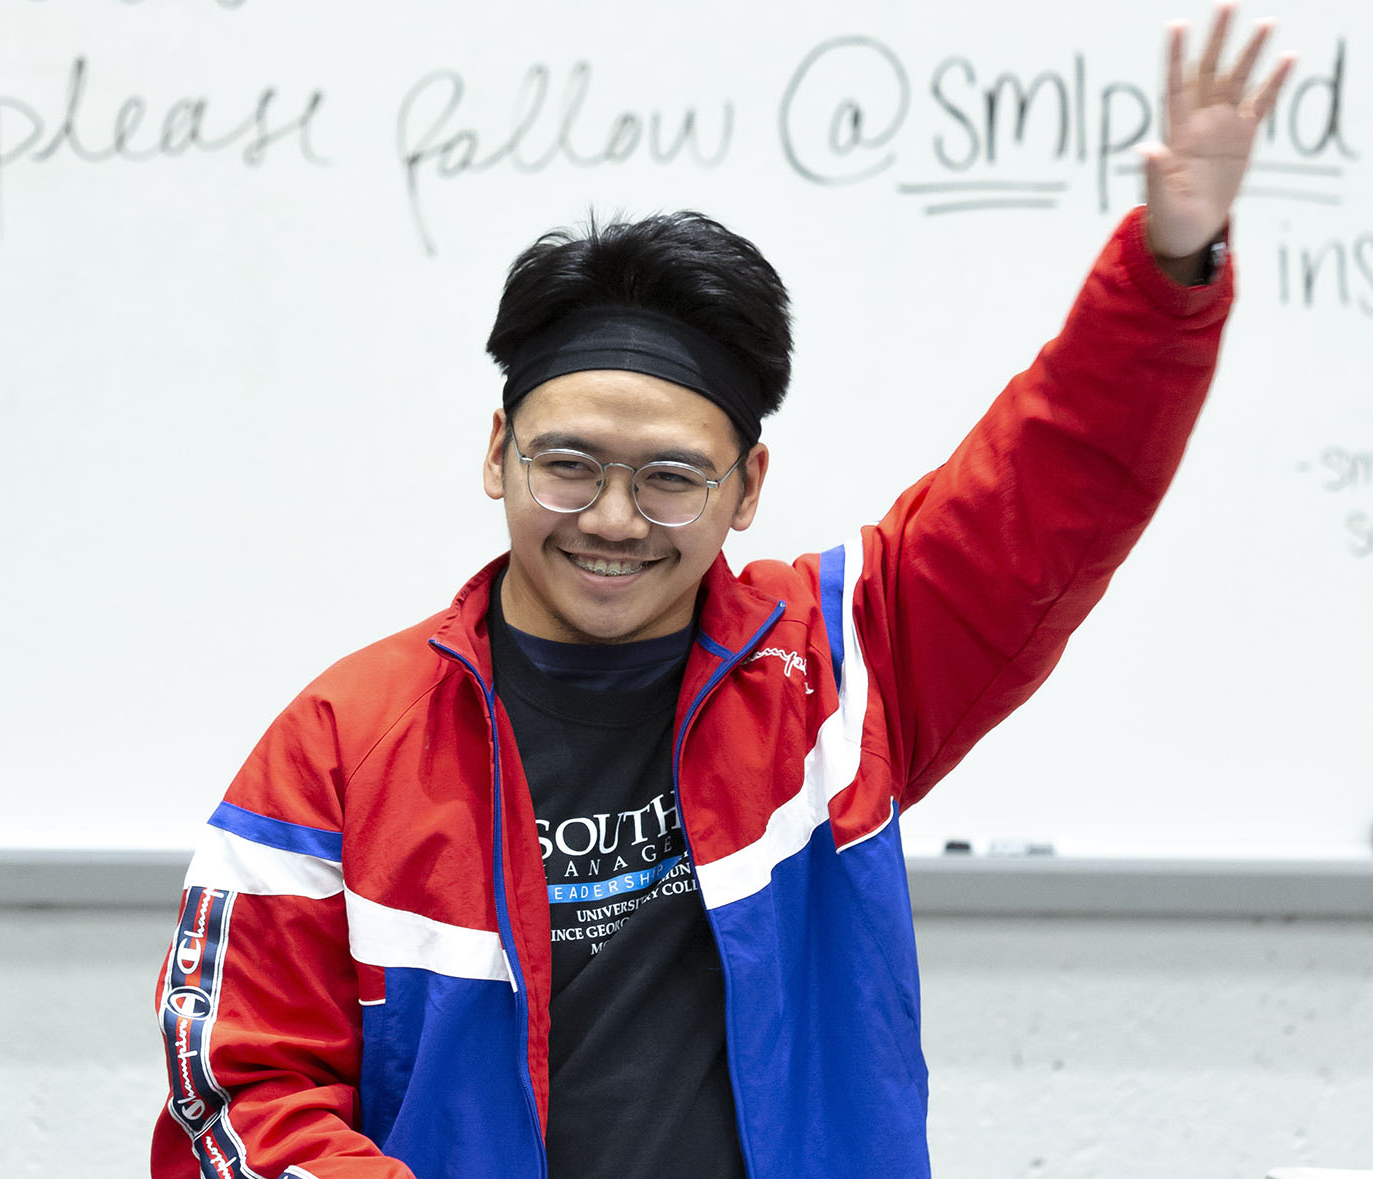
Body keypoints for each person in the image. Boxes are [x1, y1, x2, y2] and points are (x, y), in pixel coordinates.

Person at [151, 8, 1294, 1177]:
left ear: (746, 487)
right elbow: (237, 1088)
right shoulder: (341, 746)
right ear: (495, 452)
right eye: (567, 465)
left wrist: (1164, 276)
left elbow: (1052, 489)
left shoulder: (841, 669)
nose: (609, 519)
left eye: (667, 480)